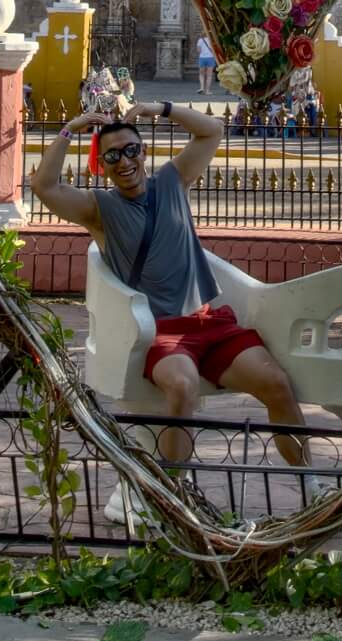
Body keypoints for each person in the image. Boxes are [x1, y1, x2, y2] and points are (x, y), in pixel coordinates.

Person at [29, 100, 309, 473]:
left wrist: (160, 109)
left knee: (276, 383)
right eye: (113, 156)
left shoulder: (173, 180)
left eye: (132, 150)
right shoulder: (99, 208)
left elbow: (212, 130)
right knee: (181, 386)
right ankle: (174, 492)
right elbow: (44, 185)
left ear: (143, 151)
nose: (125, 162)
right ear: (103, 165)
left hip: (211, 324)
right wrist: (70, 129)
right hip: (162, 333)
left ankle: (312, 482)